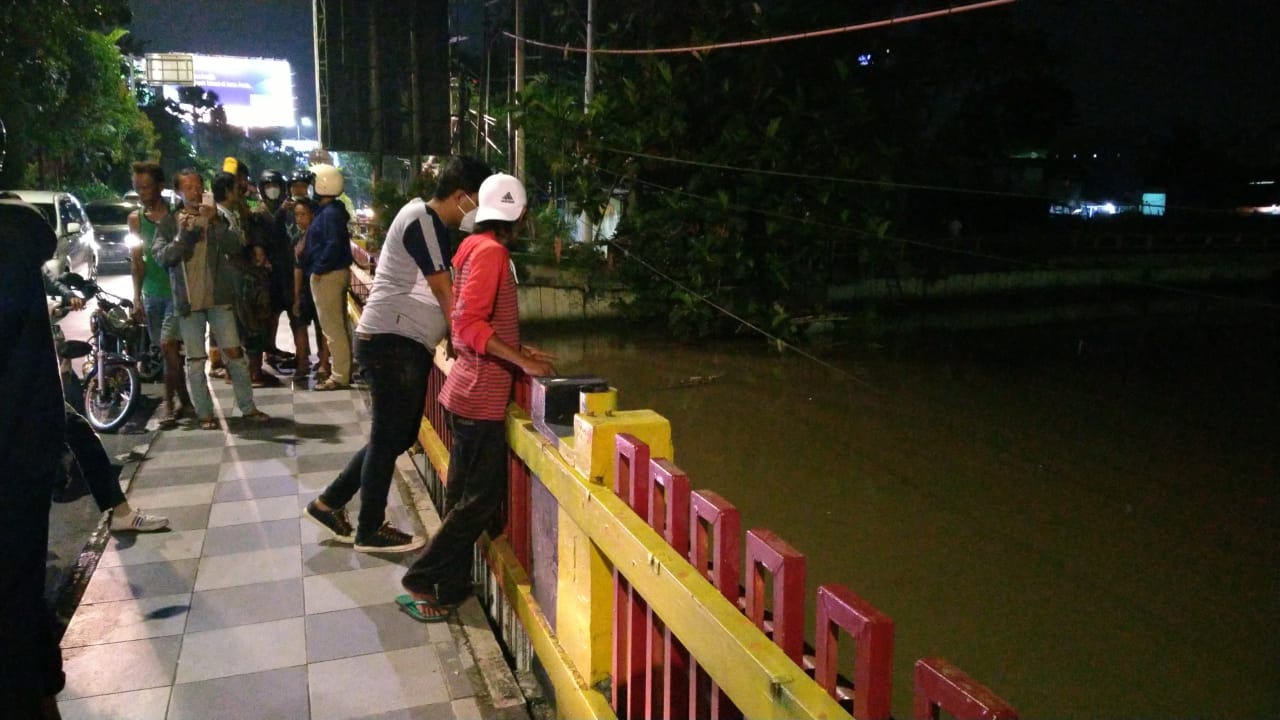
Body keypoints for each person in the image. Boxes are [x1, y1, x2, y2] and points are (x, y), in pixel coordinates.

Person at [305, 156, 491, 553]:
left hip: (398, 343)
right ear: (461, 196)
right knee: (388, 435)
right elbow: (444, 290)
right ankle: (369, 528)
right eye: (477, 201)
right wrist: (463, 337)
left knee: (397, 435)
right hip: (394, 344)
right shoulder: (423, 219)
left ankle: (329, 502)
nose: (477, 212)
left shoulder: (430, 223)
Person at [398, 173, 556, 621]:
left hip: (463, 390)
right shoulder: (492, 252)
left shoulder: (468, 248)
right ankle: (423, 574)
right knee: (481, 500)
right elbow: (468, 326)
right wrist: (522, 364)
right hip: (481, 395)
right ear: (520, 215)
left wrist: (518, 348)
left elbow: (474, 322)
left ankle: (448, 587)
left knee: (462, 496)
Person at [0, 197, 66, 719]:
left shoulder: (5, 248)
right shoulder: (16, 243)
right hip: (27, 445)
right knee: (19, 583)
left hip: (14, 448)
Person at [156, 169, 269, 429]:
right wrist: (183, 237)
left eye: (198, 186)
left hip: (219, 298)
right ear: (178, 192)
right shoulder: (170, 222)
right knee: (195, 362)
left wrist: (215, 222)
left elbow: (235, 246)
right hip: (188, 303)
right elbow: (163, 257)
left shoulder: (215, 217)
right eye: (189, 188)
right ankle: (205, 413)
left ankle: (248, 407)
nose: (196, 192)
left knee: (234, 354)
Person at [128, 161, 192, 426]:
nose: (143, 193)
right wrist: (136, 297)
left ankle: (169, 405)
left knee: (168, 346)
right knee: (168, 352)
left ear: (160, 187)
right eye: (138, 188)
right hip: (152, 293)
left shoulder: (176, 216)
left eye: (147, 187)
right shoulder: (135, 220)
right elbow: (137, 261)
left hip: (176, 291)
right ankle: (185, 398)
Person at [303, 163, 354, 391]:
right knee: (337, 326)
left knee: (332, 328)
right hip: (334, 272)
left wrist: (318, 268)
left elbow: (332, 245)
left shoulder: (330, 213)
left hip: (329, 275)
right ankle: (343, 371)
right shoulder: (332, 211)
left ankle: (340, 375)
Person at [251, 169, 297, 372]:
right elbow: (262, 239)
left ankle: (301, 356)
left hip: (289, 271)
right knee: (269, 316)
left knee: (295, 314)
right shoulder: (259, 214)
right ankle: (268, 350)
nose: (272, 191)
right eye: (268, 187)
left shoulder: (290, 211)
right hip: (269, 274)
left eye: (276, 187)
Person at [290, 198, 330, 382]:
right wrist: (297, 295)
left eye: (303, 214)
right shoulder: (297, 239)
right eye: (296, 215)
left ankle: (324, 363)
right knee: (300, 323)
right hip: (306, 287)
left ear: (313, 215)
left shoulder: (320, 238)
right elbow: (297, 269)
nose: (299, 219)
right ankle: (302, 362)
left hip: (321, 284)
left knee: (322, 327)